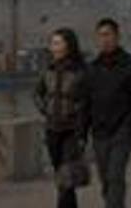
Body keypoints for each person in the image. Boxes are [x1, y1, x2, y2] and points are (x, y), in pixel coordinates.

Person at [85, 18, 131, 208]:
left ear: (117, 37)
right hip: (99, 133)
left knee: (115, 175)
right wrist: (82, 131)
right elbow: (86, 102)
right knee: (105, 179)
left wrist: (129, 125)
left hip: (121, 131)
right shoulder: (92, 68)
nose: (105, 40)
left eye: (108, 35)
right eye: (100, 36)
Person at [34, 28, 90, 208]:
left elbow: (88, 102)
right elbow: (37, 93)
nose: (53, 47)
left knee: (66, 177)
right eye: (52, 43)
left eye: (57, 43)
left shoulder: (81, 72)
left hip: (72, 131)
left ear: (69, 46)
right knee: (62, 178)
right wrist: (46, 110)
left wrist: (81, 130)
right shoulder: (48, 71)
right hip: (52, 130)